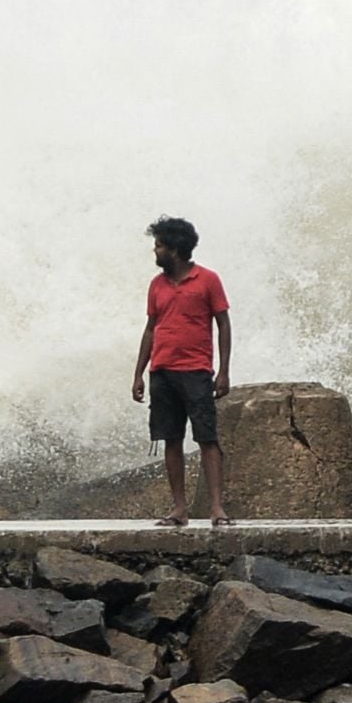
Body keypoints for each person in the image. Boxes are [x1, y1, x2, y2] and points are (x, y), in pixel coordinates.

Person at [131, 215, 232, 527]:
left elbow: (223, 324)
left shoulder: (208, 280)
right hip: (162, 372)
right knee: (170, 439)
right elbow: (151, 329)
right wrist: (138, 373)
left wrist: (223, 371)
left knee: (207, 438)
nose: (155, 252)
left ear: (174, 249)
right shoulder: (157, 285)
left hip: (197, 371)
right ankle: (179, 509)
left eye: (159, 245)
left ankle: (217, 508)